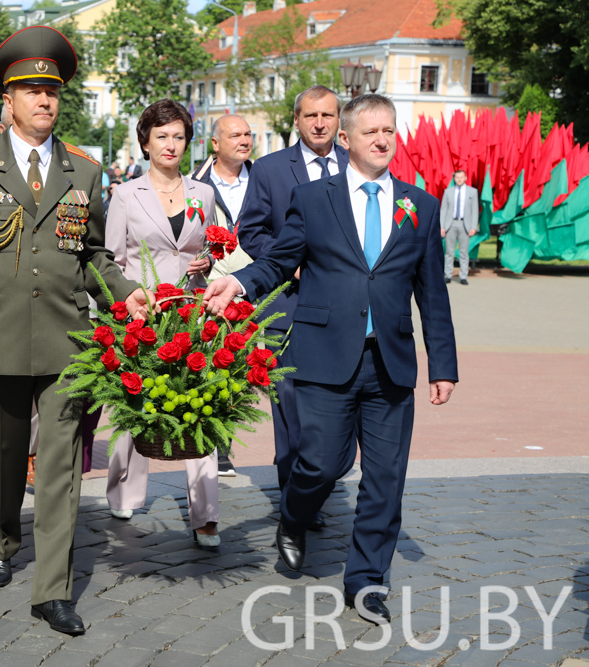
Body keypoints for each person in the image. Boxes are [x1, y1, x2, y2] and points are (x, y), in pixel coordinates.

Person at [0, 26, 152, 636]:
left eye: (51, 91)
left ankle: (52, 589)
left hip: (65, 340)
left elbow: (94, 256)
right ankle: (0, 539)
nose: (43, 101)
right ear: (8, 100)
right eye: (30, 90)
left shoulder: (84, 169)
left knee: (59, 468)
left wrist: (127, 292)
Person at [202, 94, 458, 624]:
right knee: (322, 462)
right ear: (346, 140)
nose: (382, 140)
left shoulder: (420, 204)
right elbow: (279, 259)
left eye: (389, 130)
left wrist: (444, 364)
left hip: (390, 362)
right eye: (371, 132)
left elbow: (432, 290)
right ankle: (294, 517)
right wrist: (239, 283)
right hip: (322, 355)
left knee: (386, 477)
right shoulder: (313, 198)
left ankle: (366, 581)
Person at [104, 98, 221, 547]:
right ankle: (123, 490)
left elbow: (208, 250)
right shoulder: (125, 194)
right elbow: (113, 260)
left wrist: (206, 263)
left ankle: (206, 513)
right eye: (162, 137)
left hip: (192, 315)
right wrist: (126, 305)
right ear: (146, 143)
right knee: (137, 401)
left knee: (203, 408)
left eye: (179, 136)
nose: (171, 145)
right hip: (143, 313)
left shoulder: (203, 193)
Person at [236, 85, 349, 527]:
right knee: (290, 410)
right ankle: (294, 505)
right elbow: (252, 231)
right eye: (310, 116)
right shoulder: (268, 170)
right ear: (297, 121)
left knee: (342, 406)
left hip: (346, 309)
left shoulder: (357, 165)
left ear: (339, 120)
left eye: (327, 115)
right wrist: (292, 262)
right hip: (291, 306)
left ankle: (319, 482)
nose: (319, 123)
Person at [189, 114, 255, 478]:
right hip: (209, 286)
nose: (243, 141)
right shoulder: (194, 182)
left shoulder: (263, 179)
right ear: (215, 143)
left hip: (251, 283)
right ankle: (213, 444)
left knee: (243, 365)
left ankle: (225, 437)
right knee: (211, 360)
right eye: (235, 135)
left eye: (247, 134)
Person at [440, 169, 479, 285]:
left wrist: (473, 227)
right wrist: (442, 227)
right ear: (454, 178)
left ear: (465, 178)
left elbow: (475, 211)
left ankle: (463, 276)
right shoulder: (448, 192)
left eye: (461, 177)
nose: (459, 179)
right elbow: (443, 210)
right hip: (450, 224)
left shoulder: (472, 192)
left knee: (463, 252)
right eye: (457, 177)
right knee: (449, 252)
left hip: (464, 225)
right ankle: (448, 275)